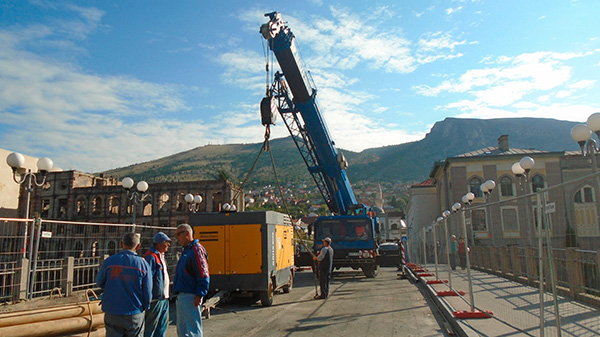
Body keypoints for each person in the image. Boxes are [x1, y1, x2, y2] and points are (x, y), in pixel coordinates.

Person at [96, 232, 152, 337]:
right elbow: (148, 290)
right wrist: (145, 306)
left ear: (121, 244)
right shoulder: (143, 264)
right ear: (138, 246)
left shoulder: (109, 262)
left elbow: (99, 282)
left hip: (112, 310)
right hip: (134, 311)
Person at [173, 224, 210, 337]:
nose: (177, 238)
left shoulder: (196, 250)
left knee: (193, 329)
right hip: (182, 295)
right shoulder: (186, 250)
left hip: (190, 295)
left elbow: (203, 273)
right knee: (182, 330)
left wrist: (199, 294)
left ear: (187, 233)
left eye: (178, 234)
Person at [143, 232, 172, 337]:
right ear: (159, 243)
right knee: (151, 327)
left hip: (163, 297)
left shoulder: (160, 256)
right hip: (155, 299)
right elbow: (147, 279)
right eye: (166, 242)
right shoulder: (151, 257)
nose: (168, 245)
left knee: (161, 326)